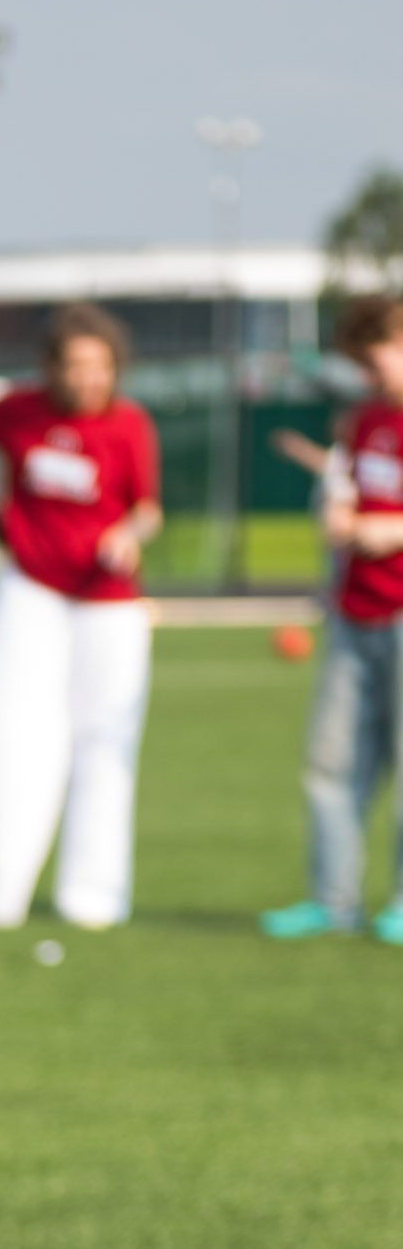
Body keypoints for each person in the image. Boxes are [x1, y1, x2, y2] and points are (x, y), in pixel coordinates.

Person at [0, 306, 162, 932]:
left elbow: (148, 510)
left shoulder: (130, 424)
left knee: (104, 744)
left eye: (100, 367)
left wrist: (127, 534)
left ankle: (94, 896)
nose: (88, 379)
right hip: (29, 590)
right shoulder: (20, 409)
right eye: (76, 366)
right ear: (53, 368)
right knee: (7, 731)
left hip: (108, 604)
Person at [261, 295, 403, 943]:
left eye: (375, 361)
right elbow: (343, 489)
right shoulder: (363, 422)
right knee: (332, 762)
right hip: (354, 615)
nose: (369, 377)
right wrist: (339, 516)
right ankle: (334, 901)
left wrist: (391, 528)